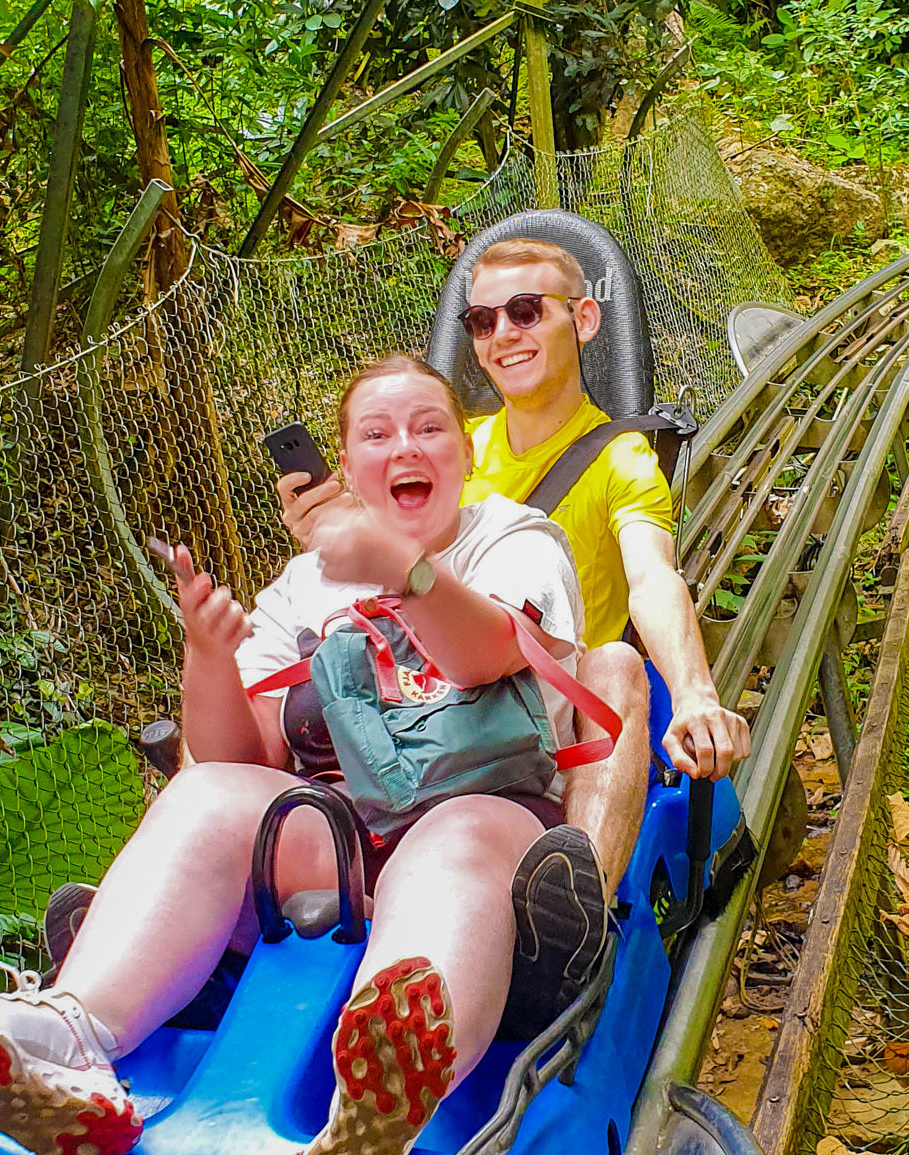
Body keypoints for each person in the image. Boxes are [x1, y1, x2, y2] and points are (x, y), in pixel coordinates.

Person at [0, 355, 593, 1155]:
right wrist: (209, 653)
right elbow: (232, 758)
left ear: (462, 450)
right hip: (333, 842)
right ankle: (68, 1038)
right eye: (376, 434)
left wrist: (402, 572)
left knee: (451, 843)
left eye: (427, 427)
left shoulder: (512, 539)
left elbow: (488, 656)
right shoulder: (303, 586)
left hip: (478, 818)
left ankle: (371, 1109)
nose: (404, 446)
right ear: (343, 463)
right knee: (207, 794)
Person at [282, 235, 750, 1008]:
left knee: (612, 665)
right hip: (424, 702)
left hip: (545, 710)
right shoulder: (445, 442)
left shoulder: (621, 460)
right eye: (481, 319)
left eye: (527, 311)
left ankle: (568, 918)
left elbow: (652, 577)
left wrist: (695, 690)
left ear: (584, 320)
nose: (504, 334)